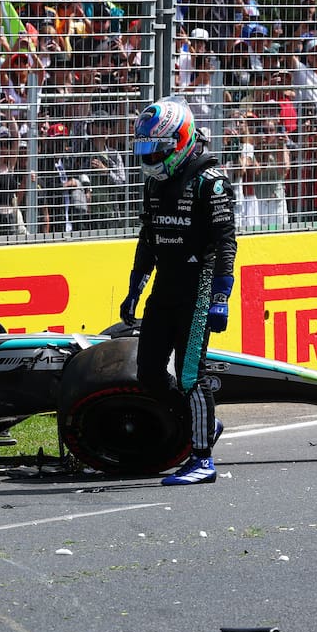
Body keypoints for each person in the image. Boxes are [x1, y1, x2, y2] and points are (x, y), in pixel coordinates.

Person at [119, 97, 237, 486]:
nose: (150, 157)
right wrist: (134, 289)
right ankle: (204, 422)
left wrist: (220, 298)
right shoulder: (154, 184)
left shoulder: (211, 183)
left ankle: (202, 460)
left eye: (156, 148)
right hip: (165, 288)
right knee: (149, 372)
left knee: (190, 376)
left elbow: (225, 245)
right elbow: (148, 240)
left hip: (199, 290)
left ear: (180, 140)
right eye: (145, 149)